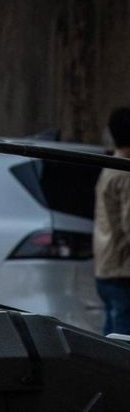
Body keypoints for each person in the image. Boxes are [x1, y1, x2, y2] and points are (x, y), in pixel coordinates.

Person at [95, 106, 130, 335]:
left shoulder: (109, 167)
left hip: (105, 267)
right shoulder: (126, 173)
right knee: (123, 339)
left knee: (110, 337)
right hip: (123, 270)